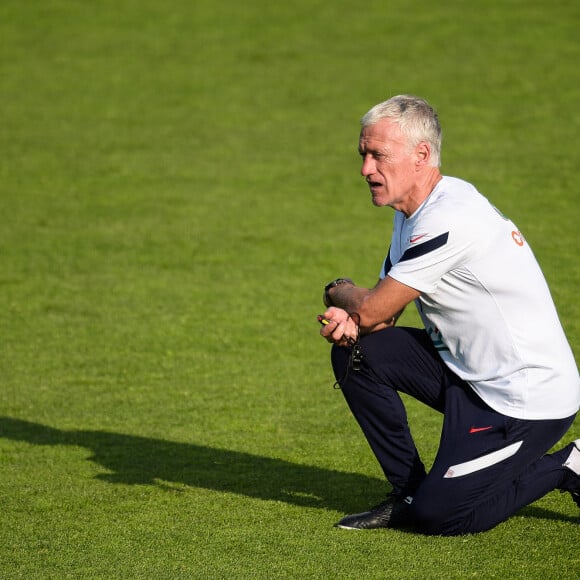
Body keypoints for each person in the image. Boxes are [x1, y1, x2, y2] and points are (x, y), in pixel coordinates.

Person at [319, 95, 580, 535]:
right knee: (357, 352)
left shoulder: (449, 218)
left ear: (421, 155)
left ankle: (568, 465)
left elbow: (374, 308)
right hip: (469, 371)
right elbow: (381, 320)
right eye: (363, 155)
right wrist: (357, 320)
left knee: (441, 517)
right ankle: (406, 491)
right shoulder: (413, 213)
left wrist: (336, 292)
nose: (365, 169)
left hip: (524, 398)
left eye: (377, 155)